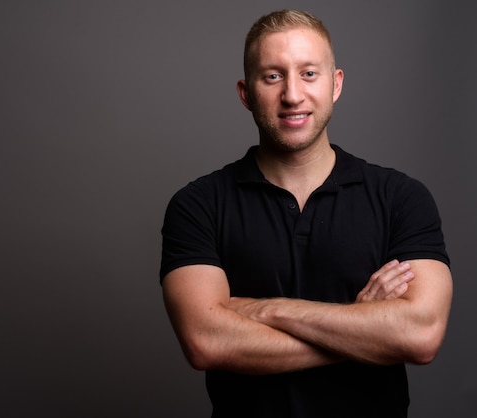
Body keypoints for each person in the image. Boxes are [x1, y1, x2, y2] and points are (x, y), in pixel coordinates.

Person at [159, 9, 453, 418]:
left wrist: (265, 310)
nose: (293, 95)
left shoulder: (401, 198)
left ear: (336, 85)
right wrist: (365, 328)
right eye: (273, 76)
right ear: (246, 93)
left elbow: (420, 336)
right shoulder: (198, 205)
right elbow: (206, 342)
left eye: (309, 74)